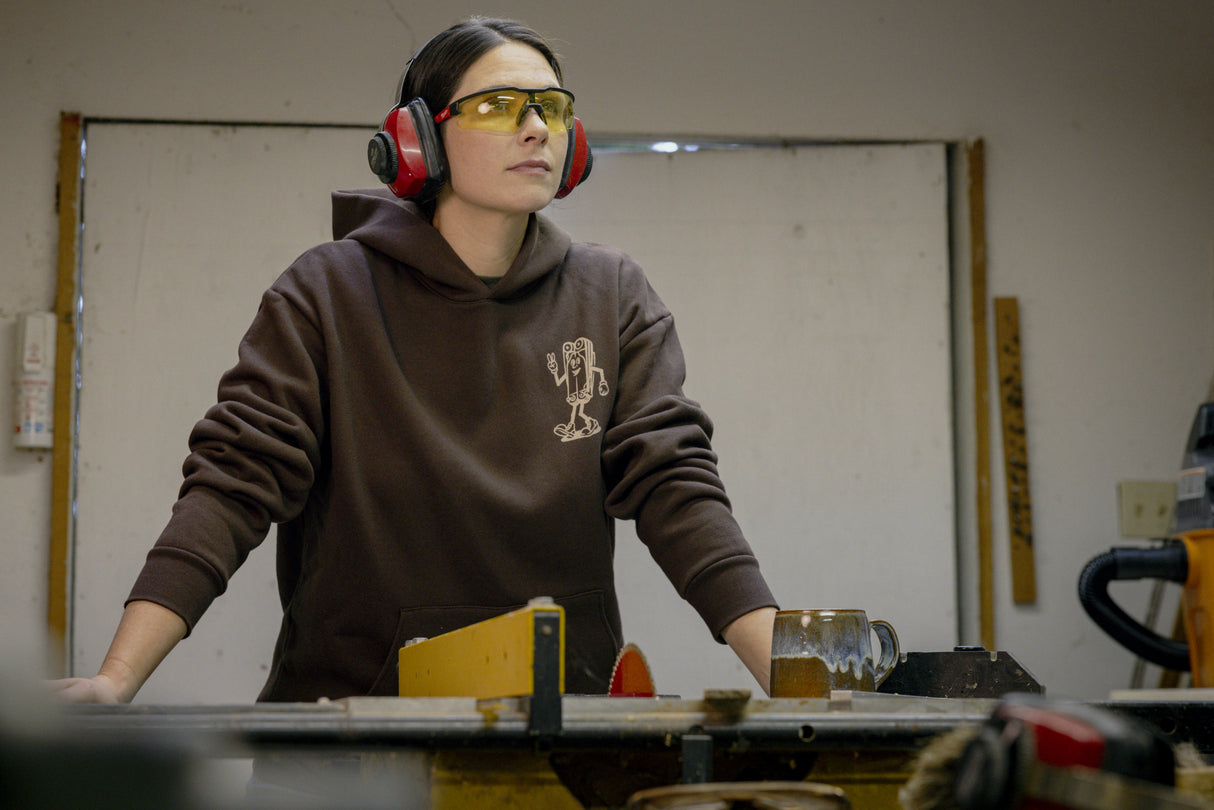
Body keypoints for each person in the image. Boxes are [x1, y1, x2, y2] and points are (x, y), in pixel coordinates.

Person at [54, 16, 777, 707]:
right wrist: (118, 678)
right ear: (418, 140)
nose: (534, 128)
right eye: (498, 106)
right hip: (348, 739)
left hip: (559, 737)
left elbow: (675, 485)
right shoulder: (328, 292)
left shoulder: (611, 293)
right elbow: (234, 481)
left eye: (551, 108)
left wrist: (782, 668)